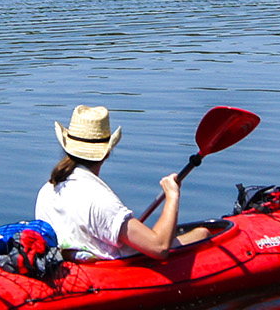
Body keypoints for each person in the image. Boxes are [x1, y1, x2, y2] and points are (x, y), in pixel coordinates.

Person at [34, 105, 209, 262]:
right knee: (203, 233)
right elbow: (160, 248)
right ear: (107, 152)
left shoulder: (48, 189)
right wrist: (172, 195)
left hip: (72, 265)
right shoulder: (100, 200)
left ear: (67, 147)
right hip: (109, 273)